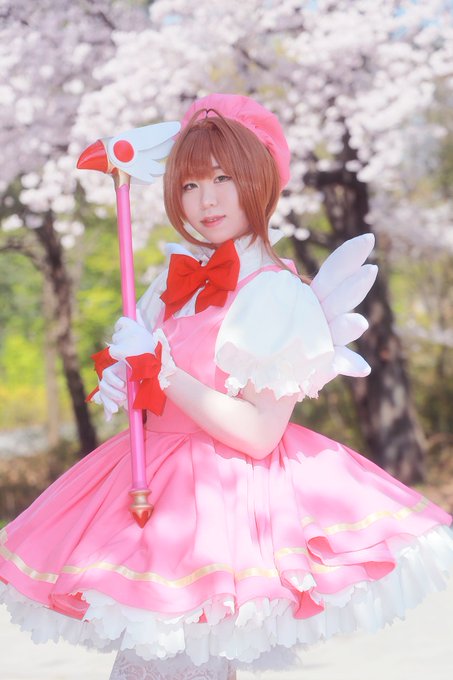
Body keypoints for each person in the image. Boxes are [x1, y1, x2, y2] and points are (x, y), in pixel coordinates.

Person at [1, 94, 452, 680]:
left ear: (258, 180)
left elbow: (261, 433)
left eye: (222, 178)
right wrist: (126, 379)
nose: (206, 200)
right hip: (153, 492)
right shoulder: (173, 282)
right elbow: (152, 390)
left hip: (226, 503)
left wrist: (165, 374)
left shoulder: (274, 292)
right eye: (189, 185)